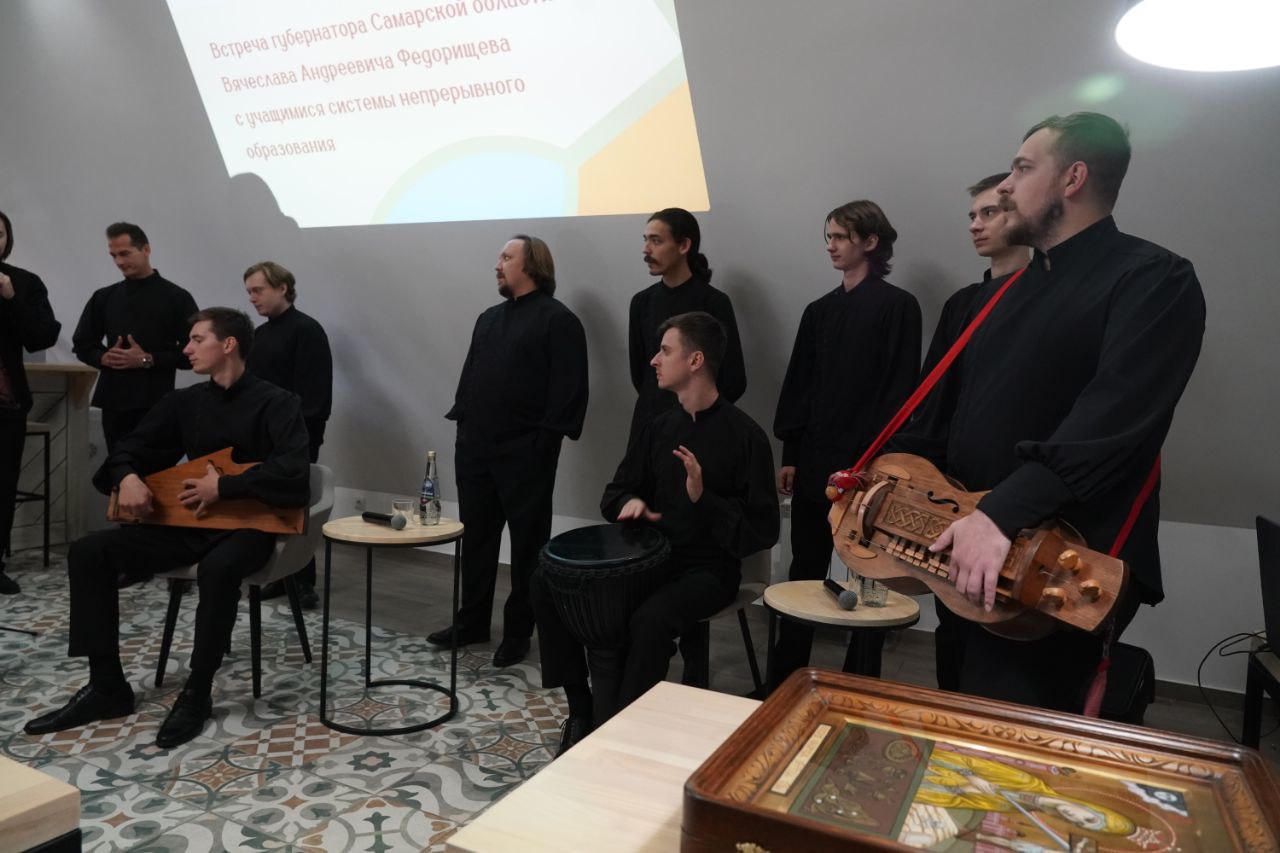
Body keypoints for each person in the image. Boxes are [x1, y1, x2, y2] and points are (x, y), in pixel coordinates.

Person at [889, 112, 1205, 711]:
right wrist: (888, 482)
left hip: (1057, 561)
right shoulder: (1001, 295)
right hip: (969, 547)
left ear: (1073, 178)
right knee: (956, 713)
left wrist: (998, 515)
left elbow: (1112, 422)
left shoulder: (1153, 278)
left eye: (1022, 168)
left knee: (1014, 740)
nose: (1006, 185)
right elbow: (950, 417)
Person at [25, 308, 310, 748]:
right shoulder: (185, 402)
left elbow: (294, 474)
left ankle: (197, 690)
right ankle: (106, 686)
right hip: (189, 525)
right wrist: (128, 476)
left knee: (219, 569)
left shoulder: (278, 402)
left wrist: (225, 487)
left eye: (197, 339)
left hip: (249, 529)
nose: (186, 349)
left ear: (228, 344)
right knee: (89, 552)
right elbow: (130, 449)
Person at [533, 311, 778, 756]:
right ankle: (582, 708)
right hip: (652, 561)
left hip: (709, 570)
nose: (654, 360)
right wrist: (630, 504)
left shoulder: (747, 436)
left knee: (650, 620)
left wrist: (704, 497)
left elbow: (762, 531)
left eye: (665, 350)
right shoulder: (659, 427)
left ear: (695, 360)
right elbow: (614, 494)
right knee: (546, 581)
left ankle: (622, 738)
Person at [770, 201, 921, 687]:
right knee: (804, 566)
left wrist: (882, 463)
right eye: (828, 237)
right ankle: (786, 677)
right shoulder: (819, 311)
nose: (830, 246)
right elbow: (800, 385)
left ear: (870, 242)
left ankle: (860, 680)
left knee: (869, 572)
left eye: (840, 237)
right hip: (815, 458)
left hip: (870, 465)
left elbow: (900, 391)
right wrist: (791, 455)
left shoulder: (898, 307)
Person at [429, 235, 589, 668]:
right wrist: (464, 429)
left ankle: (519, 633)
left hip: (526, 455)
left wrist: (542, 446)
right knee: (477, 541)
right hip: (476, 450)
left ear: (532, 264)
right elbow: (470, 379)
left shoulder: (560, 321)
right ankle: (472, 621)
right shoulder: (488, 318)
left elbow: (569, 391)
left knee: (527, 547)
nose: (497, 265)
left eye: (506, 257)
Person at [928, 174, 1031, 691]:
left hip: (1015, 496)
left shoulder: (1045, 296)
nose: (975, 224)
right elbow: (935, 398)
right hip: (955, 490)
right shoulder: (962, 303)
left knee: (1005, 640)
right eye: (972, 215)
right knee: (952, 626)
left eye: (989, 212)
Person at [243, 261, 332, 609]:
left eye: (258, 290)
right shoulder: (260, 335)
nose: (252, 298)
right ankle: (279, 575)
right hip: (264, 436)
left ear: (282, 288)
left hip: (297, 436)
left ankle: (303, 581)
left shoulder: (307, 330)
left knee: (297, 505)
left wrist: (293, 434)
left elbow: (315, 395)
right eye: (249, 292)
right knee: (270, 507)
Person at [72, 223, 198, 454]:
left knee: (153, 468)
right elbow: (82, 343)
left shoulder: (177, 298)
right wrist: (103, 358)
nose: (119, 262)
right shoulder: (104, 297)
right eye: (113, 256)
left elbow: (194, 352)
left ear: (146, 249)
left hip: (157, 402)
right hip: (114, 402)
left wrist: (147, 359)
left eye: (125, 253)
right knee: (119, 465)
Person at [627, 208, 746, 443]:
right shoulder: (642, 303)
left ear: (683, 246)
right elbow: (641, 374)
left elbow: (733, 377)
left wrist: (700, 414)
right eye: (645, 240)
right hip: (650, 424)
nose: (646, 250)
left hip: (699, 427)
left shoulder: (714, 302)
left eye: (656, 241)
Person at [0, 209, 61, 595]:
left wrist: (11, 298)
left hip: (6, 403)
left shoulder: (23, 282)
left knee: (3, 485)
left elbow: (43, 336)